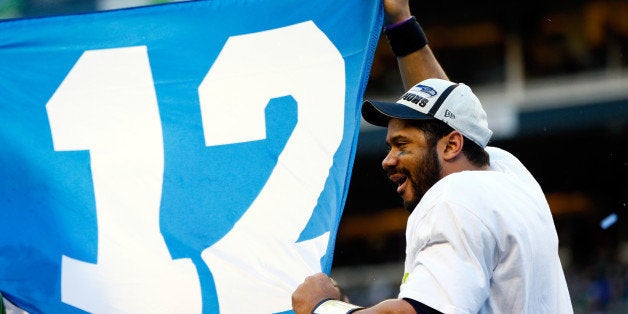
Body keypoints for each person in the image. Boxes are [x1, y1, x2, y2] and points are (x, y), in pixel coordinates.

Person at [291, 0, 574, 313]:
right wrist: (400, 23)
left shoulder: (453, 198)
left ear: (452, 147)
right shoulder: (506, 171)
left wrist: (322, 308)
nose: (388, 160)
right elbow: (449, 115)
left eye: (402, 145)